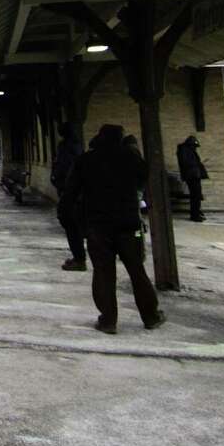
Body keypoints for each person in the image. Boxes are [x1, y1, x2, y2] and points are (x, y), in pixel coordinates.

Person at [59, 124, 165, 334]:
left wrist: (67, 217)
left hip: (98, 226)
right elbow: (144, 179)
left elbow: (70, 192)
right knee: (137, 271)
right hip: (128, 224)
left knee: (103, 272)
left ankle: (108, 320)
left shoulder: (86, 160)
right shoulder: (130, 157)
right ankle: (150, 316)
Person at [51, 122, 86, 271]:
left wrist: (59, 181)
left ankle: (79, 258)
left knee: (72, 224)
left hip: (71, 193)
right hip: (72, 191)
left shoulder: (68, 147)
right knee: (73, 224)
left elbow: (66, 168)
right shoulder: (75, 146)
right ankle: (79, 257)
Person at [176, 135, 209, 222]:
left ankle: (197, 212)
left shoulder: (187, 151)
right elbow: (186, 163)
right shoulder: (185, 151)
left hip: (193, 175)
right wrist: (196, 165)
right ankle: (195, 214)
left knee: (196, 195)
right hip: (192, 176)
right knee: (195, 195)